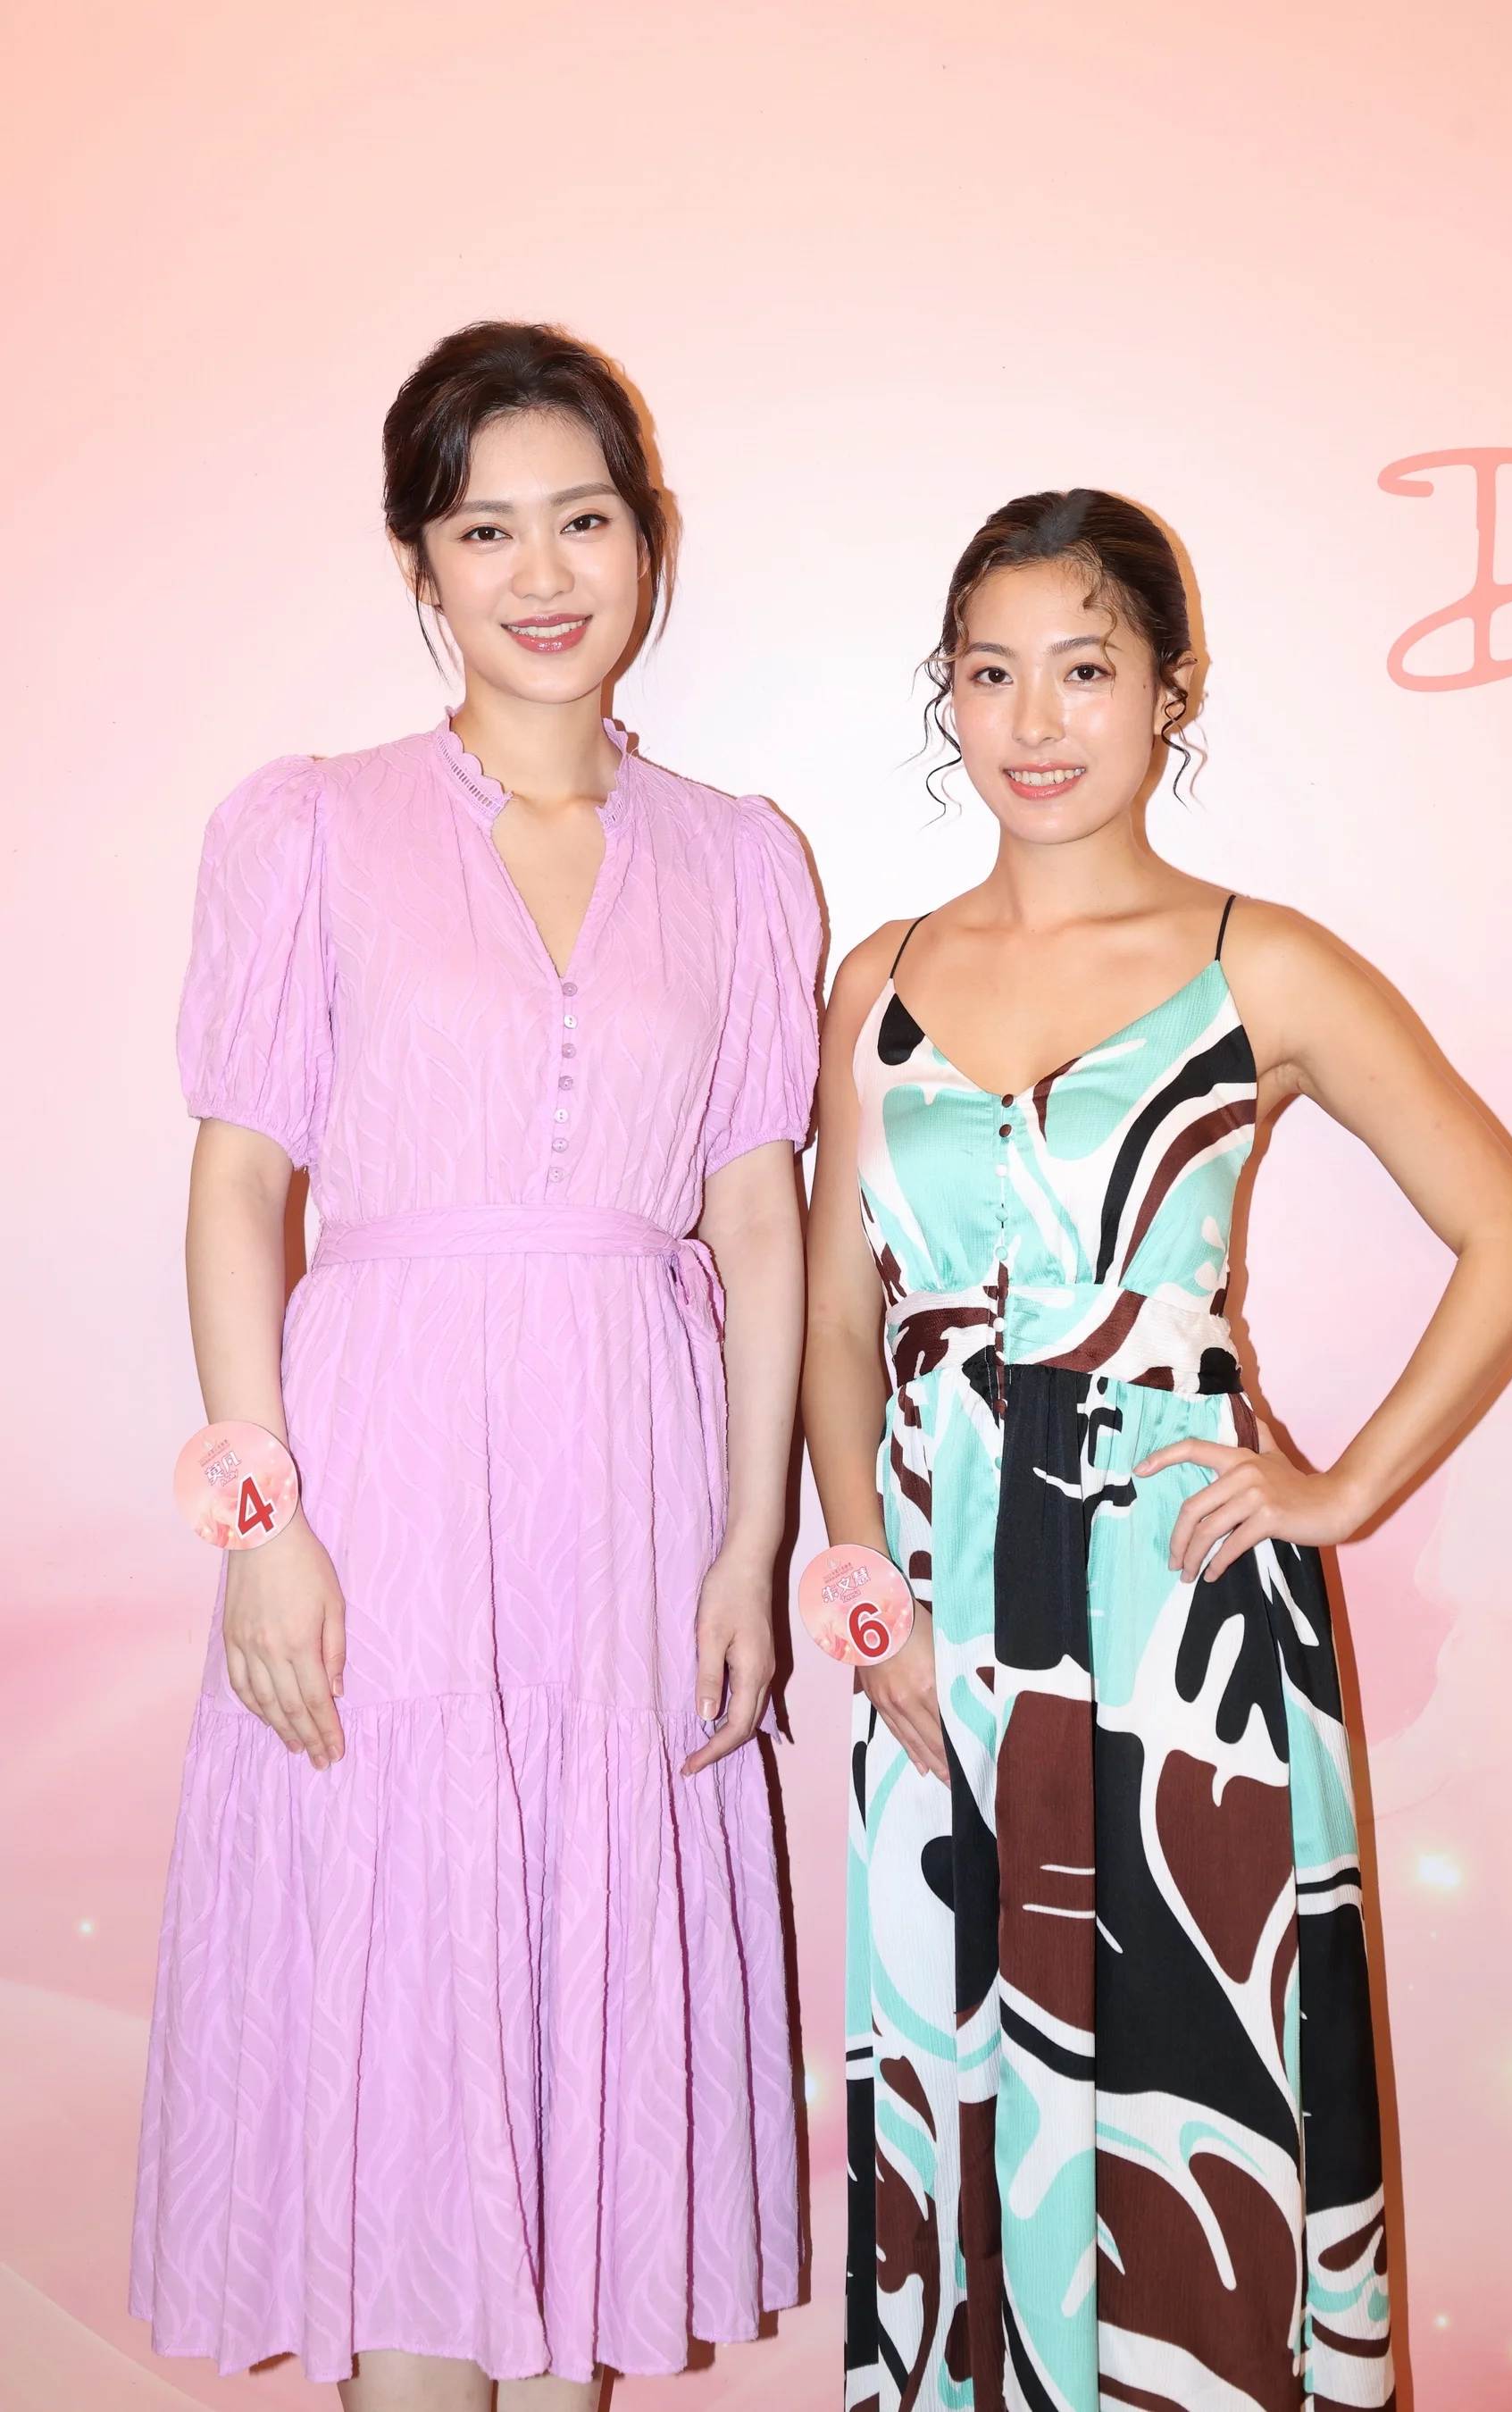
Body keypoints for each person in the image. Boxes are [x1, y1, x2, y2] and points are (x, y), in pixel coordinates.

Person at [803, 490, 1512, 2412]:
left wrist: (1341, 1489)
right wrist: (871, 1600)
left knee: (1186, 2086)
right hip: (944, 1638)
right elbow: (833, 1323)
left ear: (1169, 690)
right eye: (991, 672)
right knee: (969, 2084)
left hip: (1180, 1627)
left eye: (1085, 667)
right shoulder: (874, 981)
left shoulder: (1262, 963)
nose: (1035, 719)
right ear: (946, 695)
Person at [132, 322, 820, 2410]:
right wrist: (260, 1522)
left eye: (583, 519)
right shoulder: (311, 825)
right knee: (407, 2018)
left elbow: (762, 1220)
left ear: (648, 539)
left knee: (581, 2061)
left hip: (632, 1491)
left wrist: (750, 1547)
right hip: (386, 1483)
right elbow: (239, 1182)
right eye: (485, 528)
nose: (543, 571)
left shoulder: (742, 856)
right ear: (420, 564)